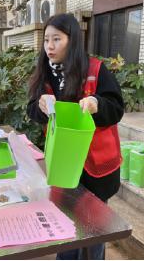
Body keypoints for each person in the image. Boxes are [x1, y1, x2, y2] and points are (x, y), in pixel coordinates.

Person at [27, 13, 124, 260]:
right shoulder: (44, 73)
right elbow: (30, 109)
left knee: (94, 234)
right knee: (65, 228)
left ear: (72, 40)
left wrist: (97, 104)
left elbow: (116, 108)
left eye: (57, 39)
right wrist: (40, 106)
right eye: (47, 40)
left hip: (96, 167)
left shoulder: (95, 70)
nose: (49, 46)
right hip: (63, 164)